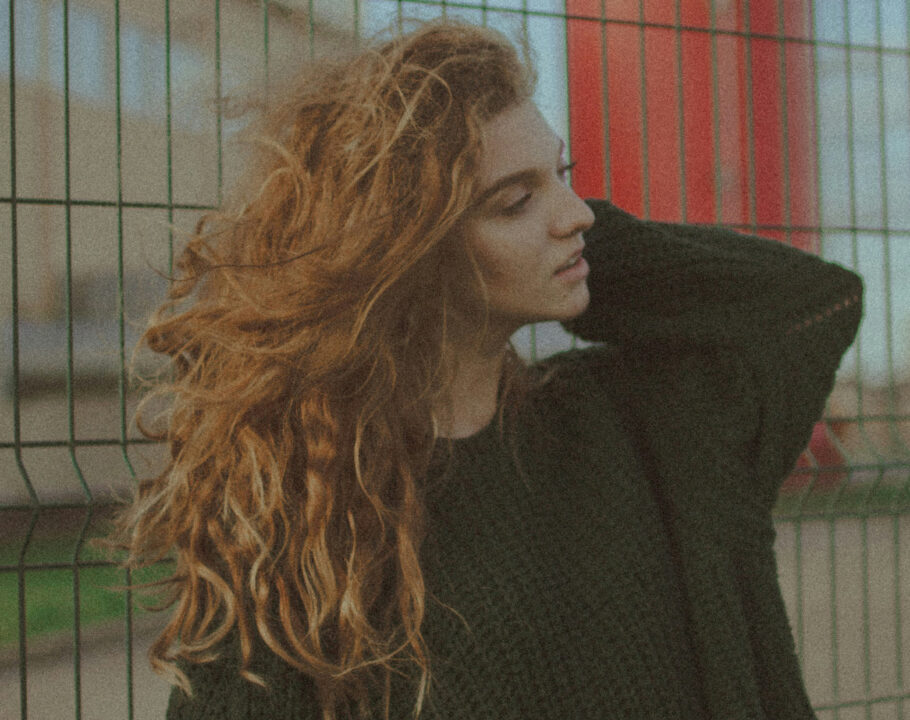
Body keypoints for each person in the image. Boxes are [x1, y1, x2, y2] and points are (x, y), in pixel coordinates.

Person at [108, 17, 863, 720]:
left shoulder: (636, 420)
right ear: (406, 248)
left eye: (561, 173)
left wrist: (565, 253)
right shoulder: (302, 507)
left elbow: (807, 305)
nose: (580, 213)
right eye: (514, 201)